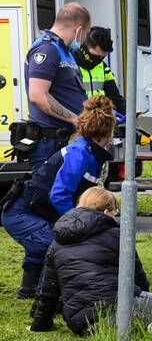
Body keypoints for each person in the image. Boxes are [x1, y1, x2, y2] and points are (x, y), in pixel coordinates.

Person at [28, 187, 152, 339]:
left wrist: (40, 325)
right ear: (106, 212)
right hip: (116, 309)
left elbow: (48, 291)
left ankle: (149, 328)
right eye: (114, 212)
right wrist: (143, 296)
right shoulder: (117, 236)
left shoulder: (57, 242)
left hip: (83, 325)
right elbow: (138, 278)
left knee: (133, 320)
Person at [2, 95, 116, 298]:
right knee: (57, 248)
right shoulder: (79, 153)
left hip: (33, 211)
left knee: (46, 243)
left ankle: (28, 290)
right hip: (20, 213)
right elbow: (59, 196)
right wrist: (78, 224)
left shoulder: (89, 150)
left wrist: (126, 117)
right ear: (107, 131)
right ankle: (49, 296)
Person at [25, 2, 92, 170]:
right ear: (78, 30)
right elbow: (38, 96)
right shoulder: (47, 49)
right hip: (50, 142)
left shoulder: (66, 51)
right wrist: (75, 119)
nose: (85, 40)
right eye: (86, 33)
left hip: (63, 139)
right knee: (48, 194)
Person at [75, 26, 127, 115]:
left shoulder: (103, 67)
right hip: (75, 119)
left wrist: (128, 113)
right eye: (96, 56)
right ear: (85, 46)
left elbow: (115, 97)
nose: (98, 60)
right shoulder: (70, 63)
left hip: (98, 121)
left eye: (103, 57)